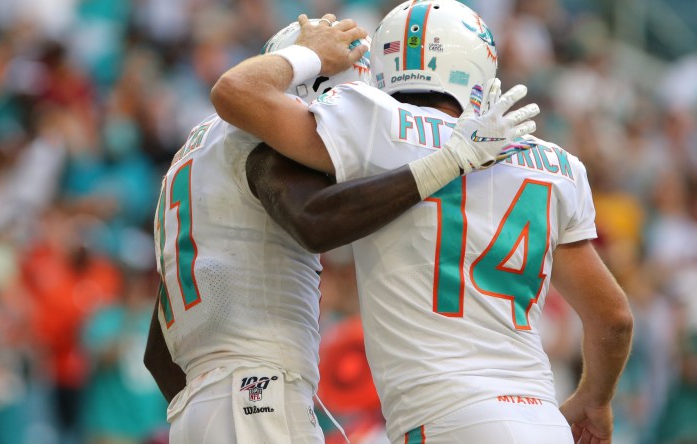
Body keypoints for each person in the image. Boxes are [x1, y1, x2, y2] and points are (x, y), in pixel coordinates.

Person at [210, 2, 634, 444]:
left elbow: (237, 95)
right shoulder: (559, 166)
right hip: (543, 419)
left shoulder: (370, 118)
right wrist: (594, 398)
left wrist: (310, 57)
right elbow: (614, 318)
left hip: (444, 417)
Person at [147, 19, 512, 443]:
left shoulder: (198, 150)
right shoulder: (262, 141)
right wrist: (448, 162)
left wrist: (218, 409)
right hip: (259, 392)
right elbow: (315, 221)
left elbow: (159, 354)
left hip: (197, 408)